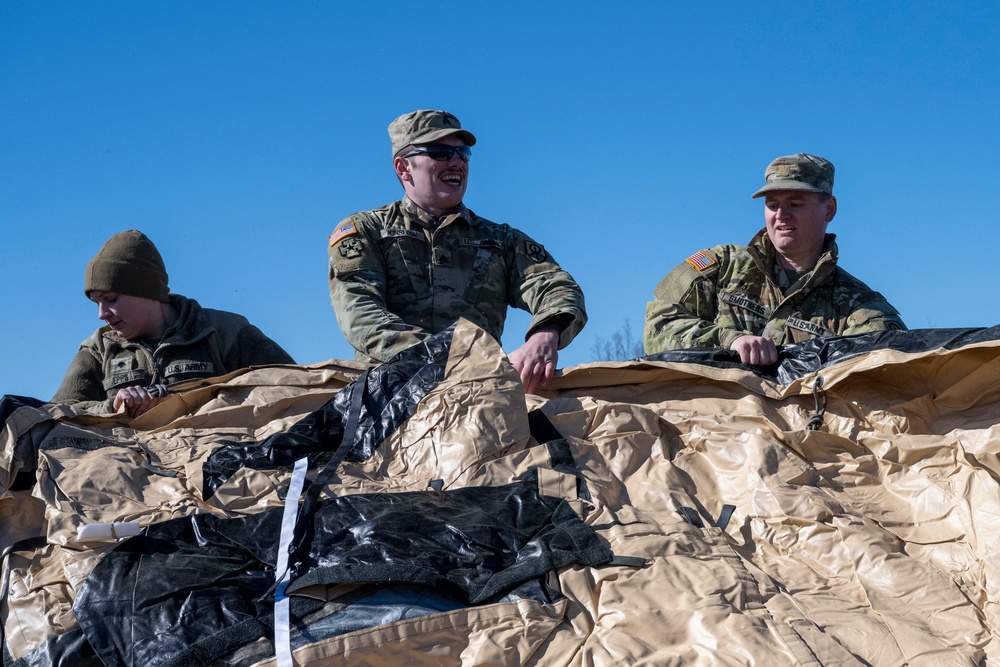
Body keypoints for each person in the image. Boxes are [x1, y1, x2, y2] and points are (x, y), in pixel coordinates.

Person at [328, 109, 587, 393]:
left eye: (462, 153)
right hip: (388, 398)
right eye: (440, 152)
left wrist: (544, 336)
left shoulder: (499, 240)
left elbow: (557, 287)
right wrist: (449, 361)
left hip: (478, 396)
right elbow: (360, 313)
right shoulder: (367, 231)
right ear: (403, 168)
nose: (456, 162)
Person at [644, 153, 905, 366]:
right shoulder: (721, 266)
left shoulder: (860, 307)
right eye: (772, 204)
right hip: (708, 424)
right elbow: (658, 325)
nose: (781, 215)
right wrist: (728, 340)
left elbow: (890, 368)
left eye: (795, 203)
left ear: (829, 209)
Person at [52, 230, 295, 416]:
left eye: (111, 299)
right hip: (128, 473)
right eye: (97, 303)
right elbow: (56, 412)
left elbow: (293, 386)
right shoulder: (99, 350)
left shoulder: (223, 331)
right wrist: (110, 407)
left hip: (221, 466)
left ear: (146, 291)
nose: (102, 314)